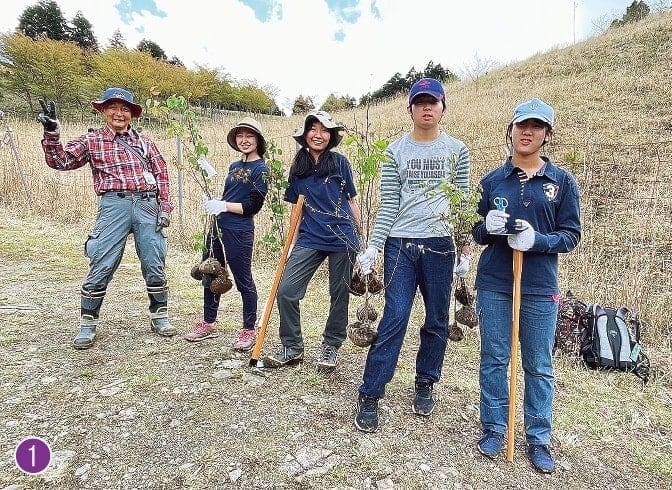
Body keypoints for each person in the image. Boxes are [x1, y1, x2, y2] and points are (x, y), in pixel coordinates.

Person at [354, 78, 471, 432]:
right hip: (401, 244)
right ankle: (371, 391)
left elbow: (460, 202)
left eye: (432, 102)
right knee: (395, 316)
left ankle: (425, 381)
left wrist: (464, 247)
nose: (426, 108)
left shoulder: (457, 150)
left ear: (442, 108)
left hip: (440, 246)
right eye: (419, 102)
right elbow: (390, 202)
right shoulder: (395, 151)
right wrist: (374, 245)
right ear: (409, 109)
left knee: (437, 318)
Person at [471, 98, 581, 473]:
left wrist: (539, 240)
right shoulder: (492, 181)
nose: (527, 133)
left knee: (538, 363)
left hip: (539, 286)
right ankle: (494, 428)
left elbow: (571, 235)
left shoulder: (562, 182)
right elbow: (475, 231)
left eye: (536, 127)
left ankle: (538, 437)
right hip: (495, 282)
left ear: (547, 135)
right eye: (521, 126)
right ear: (512, 130)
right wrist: (488, 227)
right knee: (495, 358)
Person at [37, 88, 175, 349]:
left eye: (125, 109)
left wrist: (165, 208)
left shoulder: (146, 142)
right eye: (113, 107)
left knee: (154, 260)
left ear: (132, 114)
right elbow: (60, 161)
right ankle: (87, 324)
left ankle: (160, 315)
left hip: (148, 205)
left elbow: (162, 174)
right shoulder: (91, 141)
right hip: (114, 205)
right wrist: (52, 134)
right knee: (102, 262)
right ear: (102, 111)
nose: (119, 113)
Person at [262, 110, 361, 373]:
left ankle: (331, 345)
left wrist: (360, 238)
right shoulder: (298, 169)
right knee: (287, 291)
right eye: (313, 129)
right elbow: (296, 210)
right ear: (305, 135)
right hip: (310, 237)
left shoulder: (340, 163)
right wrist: (291, 244)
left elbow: (351, 201)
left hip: (342, 237)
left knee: (339, 294)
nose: (319, 135)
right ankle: (292, 347)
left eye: (324, 130)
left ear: (331, 136)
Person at [183, 117, 269, 351]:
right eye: (240, 136)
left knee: (243, 280)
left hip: (239, 232)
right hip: (218, 227)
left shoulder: (261, 169)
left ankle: (249, 329)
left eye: (249, 136)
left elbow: (253, 206)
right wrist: (215, 202)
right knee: (210, 273)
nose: (244, 140)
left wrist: (224, 206)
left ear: (258, 140)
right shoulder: (234, 166)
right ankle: (209, 323)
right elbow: (231, 196)